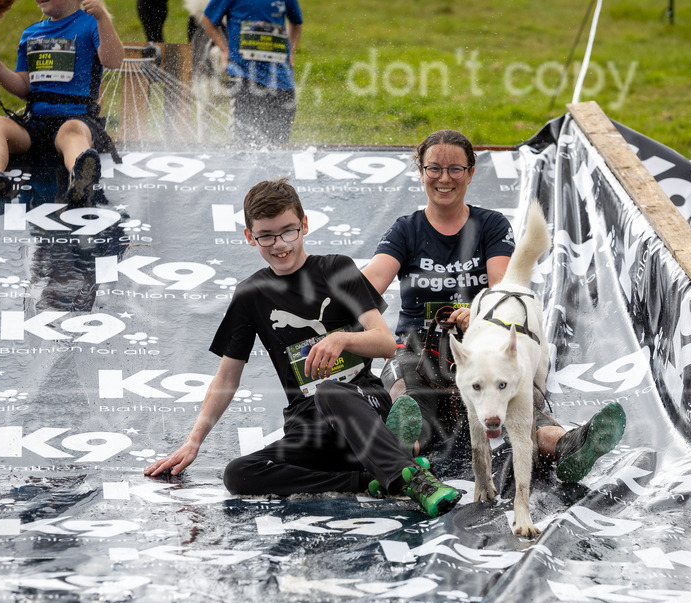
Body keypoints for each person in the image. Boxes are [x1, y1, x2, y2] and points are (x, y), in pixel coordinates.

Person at [144, 179, 462, 518]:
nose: (280, 244)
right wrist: (194, 441)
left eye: (288, 232)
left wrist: (341, 339)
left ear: (304, 225)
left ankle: (417, 482)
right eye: (266, 235)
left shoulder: (336, 268)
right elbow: (226, 378)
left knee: (330, 391)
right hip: (309, 426)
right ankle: (367, 479)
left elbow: (384, 342)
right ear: (250, 237)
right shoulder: (251, 294)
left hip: (361, 405)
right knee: (238, 473)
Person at [361, 129, 626, 484]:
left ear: (471, 172)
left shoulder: (490, 225)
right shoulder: (406, 229)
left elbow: (503, 284)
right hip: (420, 351)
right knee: (406, 397)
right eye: (434, 168)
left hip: (484, 351)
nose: (444, 178)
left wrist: (480, 313)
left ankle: (571, 446)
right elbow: (370, 282)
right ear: (420, 171)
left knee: (525, 408)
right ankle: (404, 443)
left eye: (455, 169)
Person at [0, 0, 124, 206]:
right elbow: (23, 87)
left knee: (70, 131)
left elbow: (113, 61)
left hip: (78, 119)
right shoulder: (32, 33)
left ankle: (81, 178)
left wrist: (103, 18)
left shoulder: (91, 23)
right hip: (36, 124)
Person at [200, 0, 302, 145]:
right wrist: (225, 50)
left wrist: (291, 53)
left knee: (279, 142)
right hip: (245, 75)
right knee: (247, 141)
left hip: (281, 78)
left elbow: (296, 23)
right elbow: (208, 20)